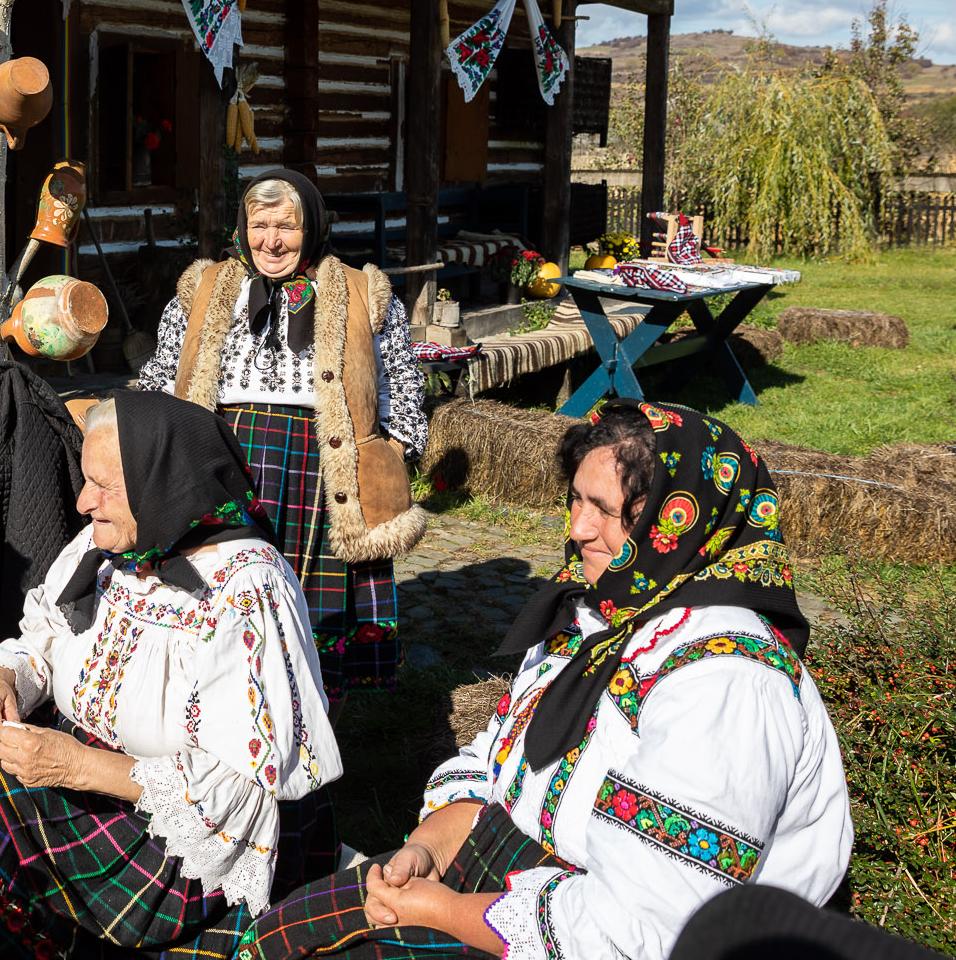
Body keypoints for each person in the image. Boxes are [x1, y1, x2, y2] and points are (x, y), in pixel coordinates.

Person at [241, 400, 852, 960]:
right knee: (273, 937)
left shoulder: (724, 685)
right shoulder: (598, 612)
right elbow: (501, 757)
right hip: (505, 867)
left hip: (587, 931)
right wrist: (429, 845)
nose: (579, 529)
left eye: (607, 511)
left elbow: (641, 929)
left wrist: (444, 911)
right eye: (577, 500)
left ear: (681, 524)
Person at [0, 392, 341, 959]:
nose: (83, 502)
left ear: (165, 484)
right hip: (86, 772)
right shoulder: (110, 547)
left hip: (180, 838)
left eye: (105, 487)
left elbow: (249, 788)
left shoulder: (245, 589)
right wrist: (1, 682)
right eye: (86, 479)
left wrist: (80, 767)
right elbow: (44, 640)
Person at [135, 167, 430, 701]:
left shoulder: (364, 293)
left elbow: (403, 389)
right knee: (223, 608)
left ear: (313, 227)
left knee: (313, 622)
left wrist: (390, 453)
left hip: (322, 473)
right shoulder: (202, 288)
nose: (271, 241)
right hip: (224, 469)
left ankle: (318, 755)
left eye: (287, 226)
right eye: (259, 224)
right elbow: (160, 378)